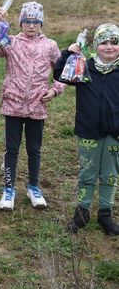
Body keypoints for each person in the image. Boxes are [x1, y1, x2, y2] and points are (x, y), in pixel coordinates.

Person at [0, 1, 65, 211]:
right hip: (13, 104)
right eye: (27, 21)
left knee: (34, 149)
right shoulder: (10, 42)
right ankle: (8, 188)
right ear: (20, 23)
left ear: (41, 23)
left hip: (37, 106)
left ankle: (34, 187)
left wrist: (54, 90)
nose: (31, 25)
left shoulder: (50, 46)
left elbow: (62, 72)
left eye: (35, 21)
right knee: (11, 149)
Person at [54, 23, 119, 236]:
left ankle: (105, 214)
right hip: (88, 131)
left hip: (114, 135)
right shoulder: (84, 66)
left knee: (110, 175)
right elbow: (60, 74)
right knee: (87, 173)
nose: (109, 47)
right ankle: (82, 213)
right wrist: (70, 52)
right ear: (96, 45)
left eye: (114, 43)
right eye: (104, 43)